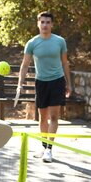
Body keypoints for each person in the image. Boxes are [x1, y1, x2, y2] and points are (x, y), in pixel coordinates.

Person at [17, 11, 71, 163]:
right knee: (42, 118)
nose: (45, 25)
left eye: (48, 22)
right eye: (43, 22)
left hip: (57, 81)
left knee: (54, 117)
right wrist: (19, 84)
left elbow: (65, 63)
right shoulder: (32, 43)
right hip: (41, 83)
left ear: (52, 25)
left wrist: (69, 83)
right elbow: (25, 65)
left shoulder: (60, 41)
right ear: (38, 24)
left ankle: (49, 149)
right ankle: (44, 146)